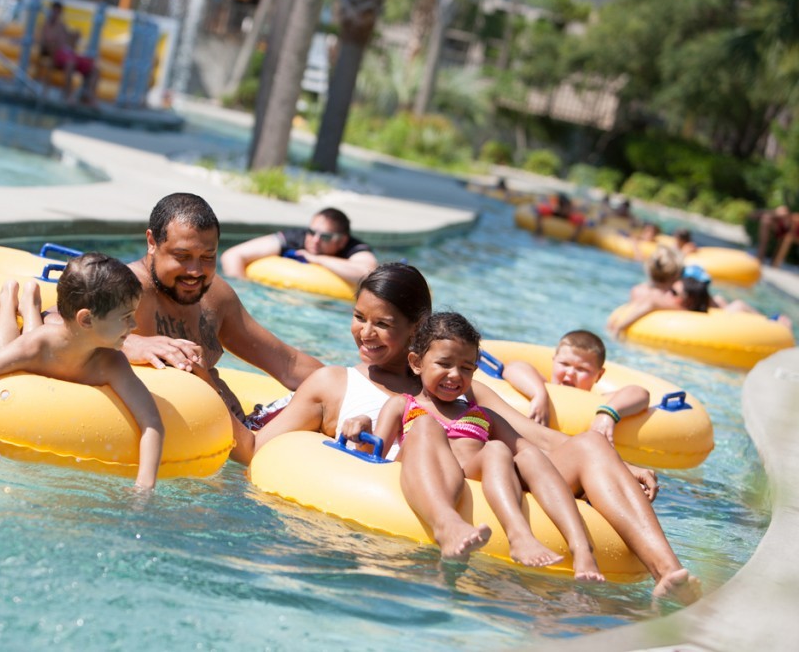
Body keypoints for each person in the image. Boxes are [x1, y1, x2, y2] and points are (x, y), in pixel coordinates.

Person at [237, 262, 699, 603]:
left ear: (419, 330)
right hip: (422, 494)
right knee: (425, 434)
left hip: (493, 479)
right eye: (360, 317)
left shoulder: (460, 385)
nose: (366, 333)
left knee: (593, 444)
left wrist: (622, 463)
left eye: (383, 324)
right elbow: (259, 449)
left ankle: (669, 575)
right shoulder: (335, 384)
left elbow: (533, 439)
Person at [362, 312, 605, 578]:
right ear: (416, 362)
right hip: (427, 474)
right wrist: (359, 429)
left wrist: (586, 481)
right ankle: (448, 527)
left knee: (500, 449)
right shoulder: (403, 405)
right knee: (425, 425)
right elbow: (374, 459)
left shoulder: (480, 414)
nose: (455, 375)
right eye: (444, 364)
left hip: (472, 472)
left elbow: (532, 453)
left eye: (467, 368)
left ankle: (528, 537)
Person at [120, 193, 324, 460]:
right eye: (182, 256)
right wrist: (133, 342)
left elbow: (288, 364)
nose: (195, 271)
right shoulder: (125, 287)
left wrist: (352, 388)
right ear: (152, 242)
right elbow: (56, 321)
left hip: (230, 442)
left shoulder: (215, 296)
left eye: (207, 257)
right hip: (170, 450)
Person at [0, 253, 165, 489]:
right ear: (87, 320)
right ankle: (10, 297)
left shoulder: (112, 363)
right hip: (41, 344)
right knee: (7, 348)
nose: (135, 325)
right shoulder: (37, 347)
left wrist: (144, 486)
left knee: (29, 337)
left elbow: (151, 422)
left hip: (57, 340)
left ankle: (31, 303)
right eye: (126, 317)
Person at [502, 330, 650, 445]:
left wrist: (608, 414)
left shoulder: (601, 402)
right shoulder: (541, 386)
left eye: (582, 369)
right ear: (554, 361)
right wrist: (539, 394)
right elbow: (513, 367)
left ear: (599, 375)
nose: (570, 373)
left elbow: (641, 393)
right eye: (564, 364)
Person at [609, 263, 793, 335]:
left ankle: (775, 322)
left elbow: (650, 303)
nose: (668, 294)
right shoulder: (679, 304)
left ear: (688, 300)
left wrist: (618, 327)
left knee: (734, 304)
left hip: (716, 322)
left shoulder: (673, 304)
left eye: (674, 292)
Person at [220, 208, 377, 286]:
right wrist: (241, 291)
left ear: (342, 241)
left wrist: (317, 260)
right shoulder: (296, 238)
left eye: (325, 237)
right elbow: (232, 255)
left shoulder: (354, 248)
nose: (314, 240)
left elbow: (369, 275)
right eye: (311, 232)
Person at [39, 0, 100, 106]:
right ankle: (67, 95)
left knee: (94, 68)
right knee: (70, 63)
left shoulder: (62, 26)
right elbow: (45, 44)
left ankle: (88, 96)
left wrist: (75, 36)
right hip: (58, 55)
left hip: (69, 54)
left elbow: (69, 40)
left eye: (58, 12)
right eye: (54, 11)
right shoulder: (46, 26)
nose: (56, 14)